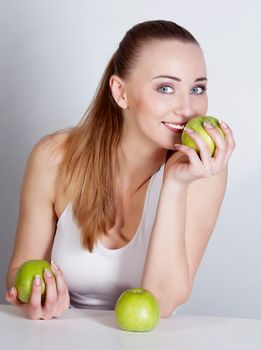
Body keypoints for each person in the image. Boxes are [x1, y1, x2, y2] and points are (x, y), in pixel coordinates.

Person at [5, 19, 235, 320]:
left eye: (197, 88)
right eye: (166, 88)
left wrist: (176, 184)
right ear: (120, 92)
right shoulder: (54, 158)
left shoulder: (202, 170)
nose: (188, 109)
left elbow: (161, 302)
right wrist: (35, 296)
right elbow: (18, 270)